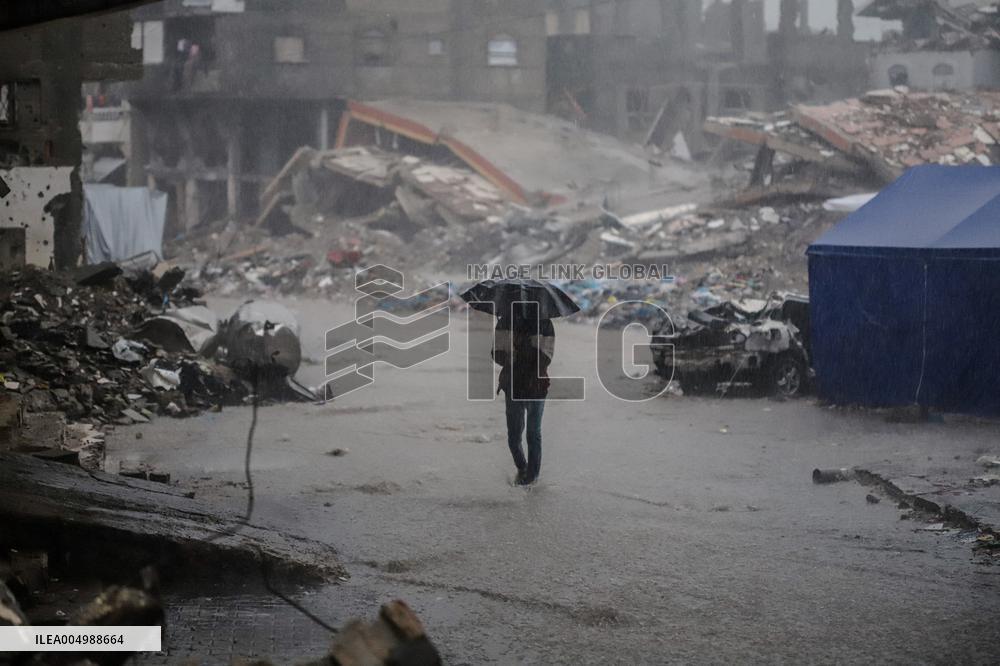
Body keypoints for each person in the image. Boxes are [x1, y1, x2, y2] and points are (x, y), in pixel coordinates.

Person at [491, 308, 555, 485]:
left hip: (536, 386)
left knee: (533, 434)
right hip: (513, 386)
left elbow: (547, 357)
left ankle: (532, 477)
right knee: (514, 436)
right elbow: (495, 353)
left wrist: (525, 348)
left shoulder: (544, 323)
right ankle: (522, 468)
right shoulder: (505, 321)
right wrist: (510, 353)